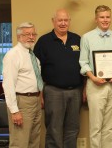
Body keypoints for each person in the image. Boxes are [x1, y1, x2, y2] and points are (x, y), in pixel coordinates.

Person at [34, 9, 84, 148]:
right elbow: (36, 70)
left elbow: (85, 66)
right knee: (54, 129)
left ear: (69, 21)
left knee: (73, 129)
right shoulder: (44, 41)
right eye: (60, 20)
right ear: (53, 21)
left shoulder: (77, 39)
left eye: (66, 20)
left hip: (75, 92)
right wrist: (40, 93)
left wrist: (84, 90)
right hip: (53, 91)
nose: (63, 23)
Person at [79, 5, 112, 148]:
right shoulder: (87, 37)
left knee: (109, 127)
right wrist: (93, 77)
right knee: (96, 127)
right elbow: (83, 62)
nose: (105, 20)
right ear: (96, 19)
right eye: (102, 17)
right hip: (96, 86)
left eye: (108, 17)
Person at [2, 22, 42, 148]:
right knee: (20, 143)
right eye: (27, 34)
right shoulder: (13, 55)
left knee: (34, 141)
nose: (31, 37)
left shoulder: (32, 55)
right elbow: (8, 85)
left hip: (35, 101)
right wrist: (14, 111)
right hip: (22, 102)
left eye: (33, 34)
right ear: (19, 37)